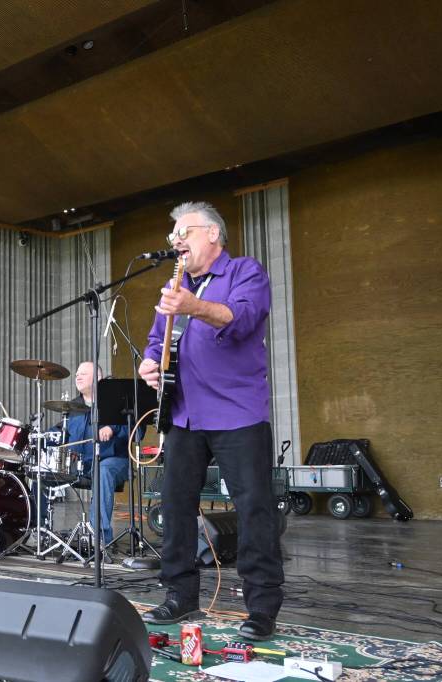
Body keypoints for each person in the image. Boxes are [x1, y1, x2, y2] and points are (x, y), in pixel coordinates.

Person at [137, 201, 284, 641]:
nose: (176, 241)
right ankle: (180, 595)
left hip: (237, 412)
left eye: (184, 232)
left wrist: (193, 306)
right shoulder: (175, 283)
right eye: (172, 237)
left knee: (254, 508)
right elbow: (155, 339)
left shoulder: (245, 272)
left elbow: (241, 318)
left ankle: (261, 608)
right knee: (175, 507)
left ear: (213, 234)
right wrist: (148, 363)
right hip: (183, 413)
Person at [64, 362, 131, 554]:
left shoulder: (116, 401)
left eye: (83, 373)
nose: (77, 376)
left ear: (99, 379)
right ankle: (38, 530)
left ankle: (99, 538)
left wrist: (114, 427)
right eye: (77, 373)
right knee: (39, 470)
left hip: (114, 461)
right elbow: (61, 434)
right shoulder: (73, 407)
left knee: (103, 471)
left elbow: (138, 429)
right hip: (82, 464)